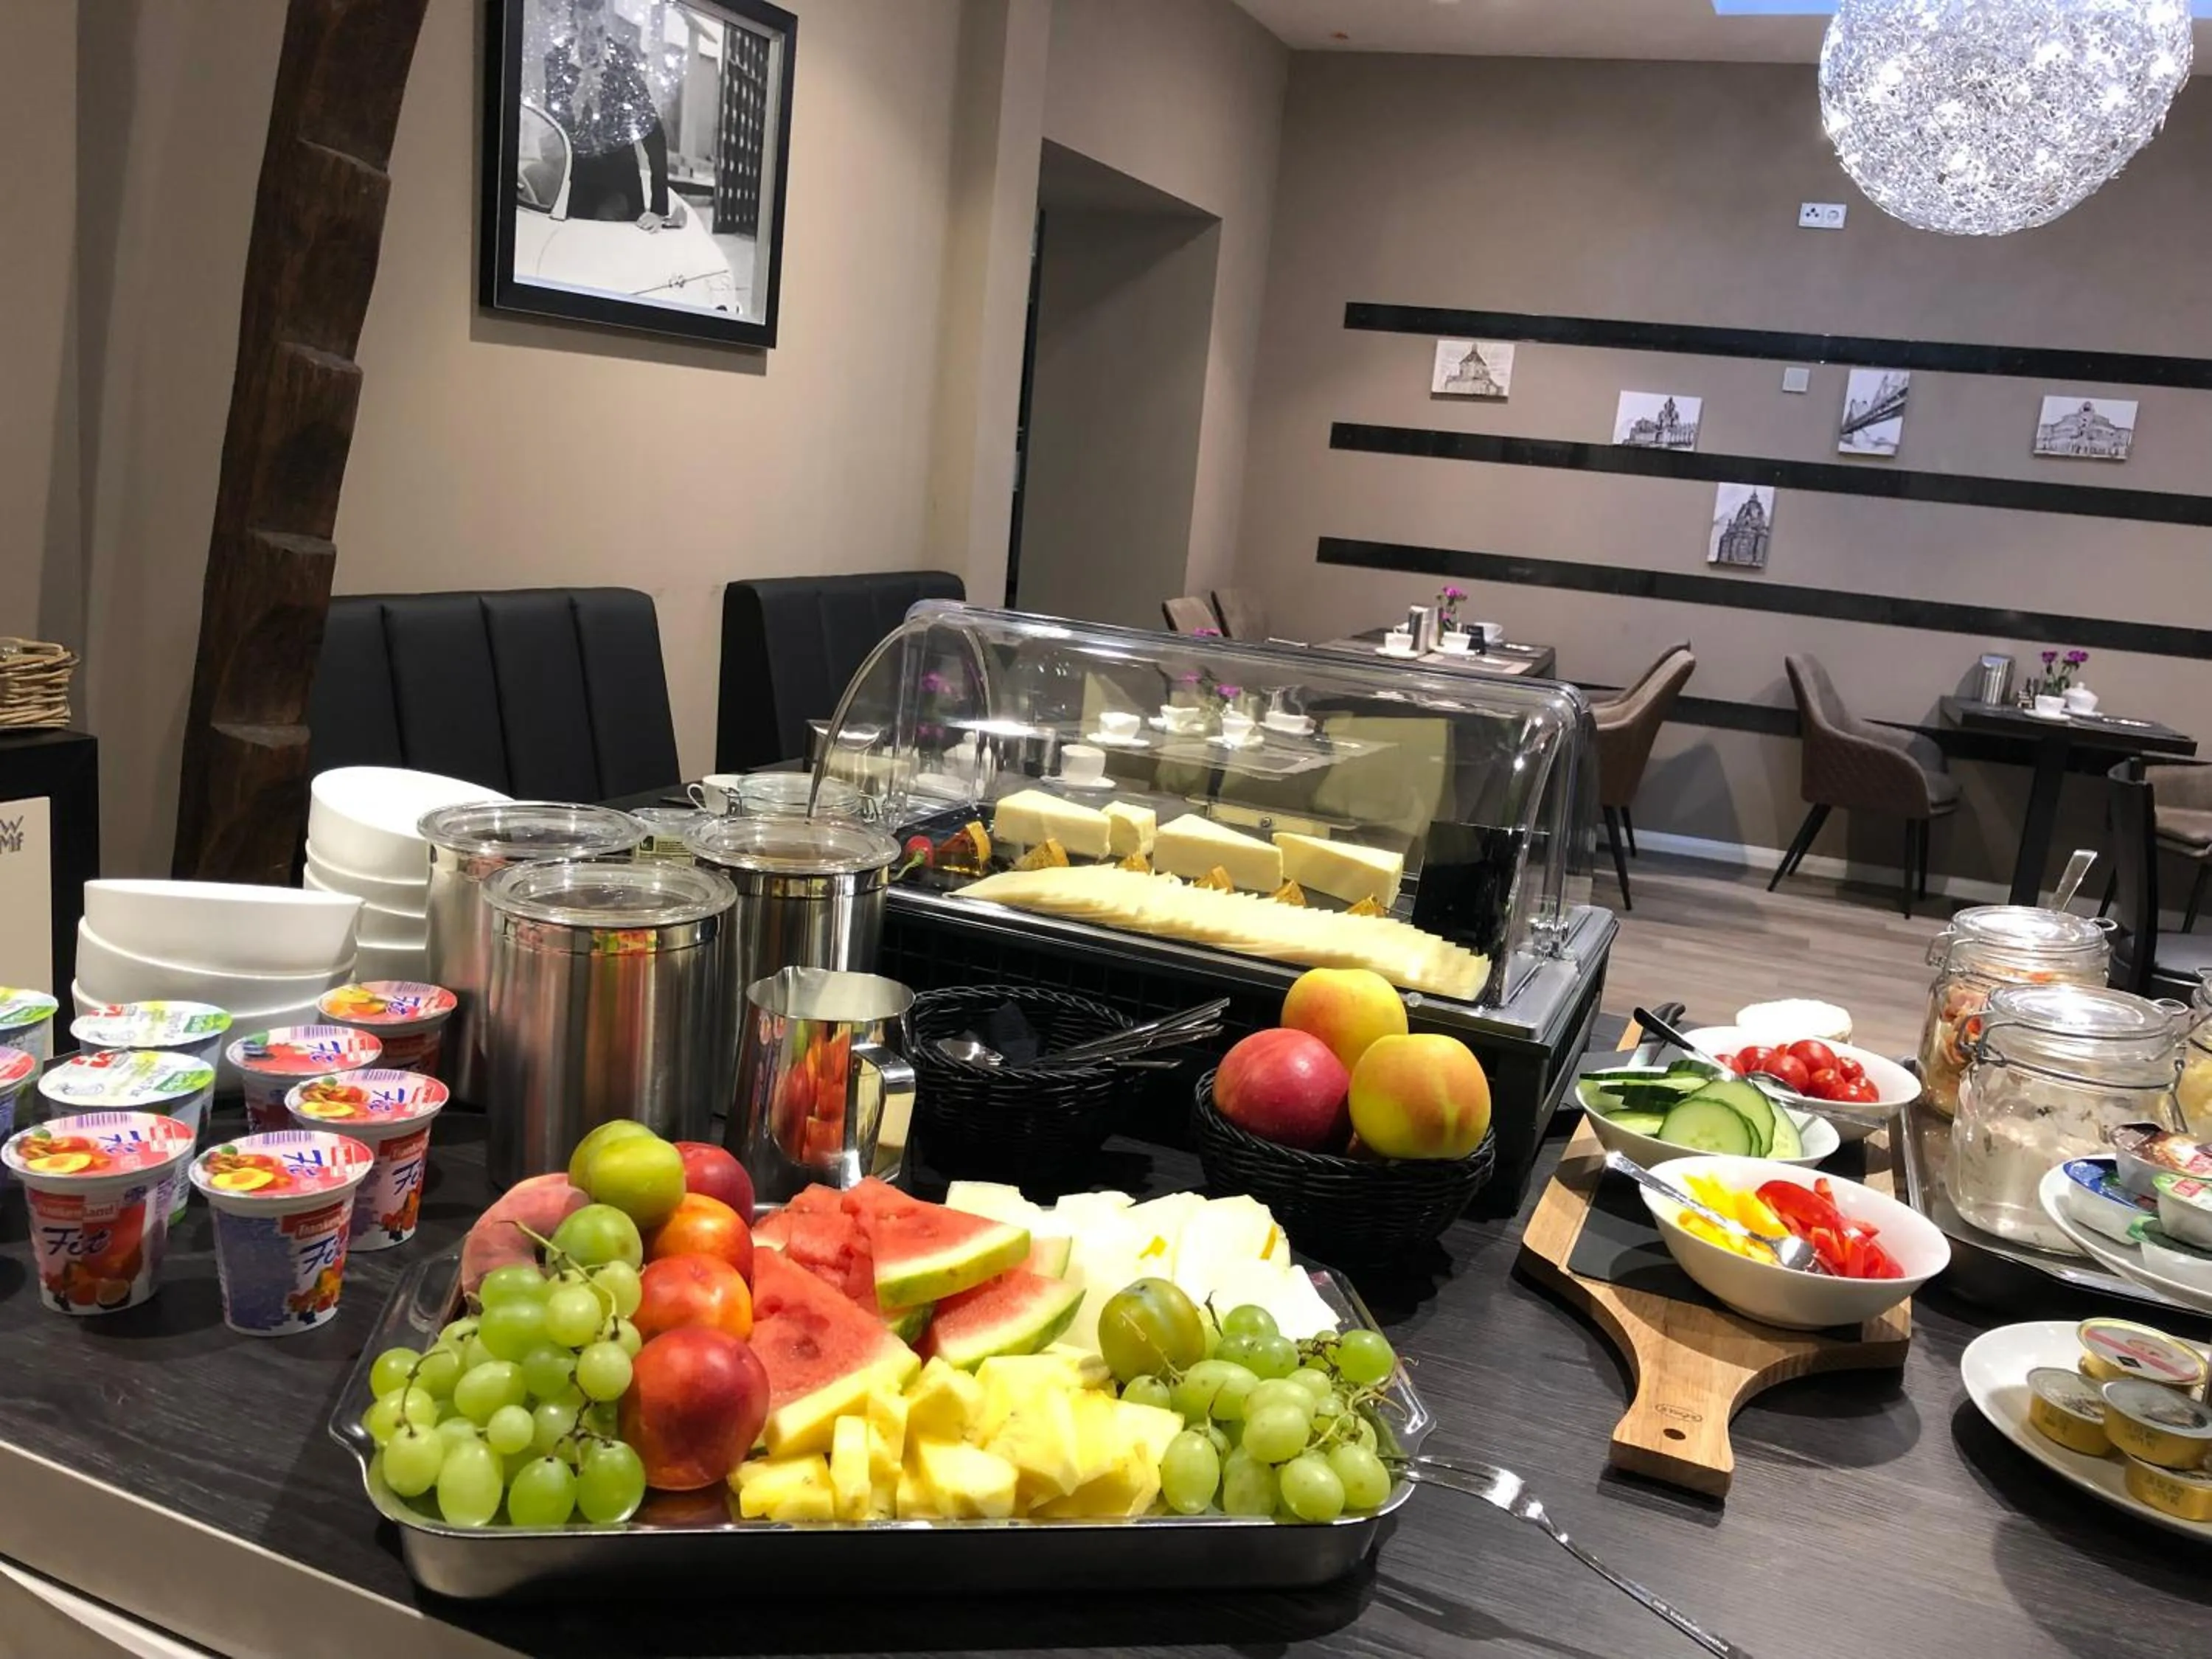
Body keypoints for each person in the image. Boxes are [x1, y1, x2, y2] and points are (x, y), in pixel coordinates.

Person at [543, 0, 677, 229]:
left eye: (600, 32)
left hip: (621, 183)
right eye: (585, 32)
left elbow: (653, 131)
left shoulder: (622, 61)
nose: (594, 43)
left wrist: (658, 209)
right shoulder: (557, 61)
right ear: (573, 27)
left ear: (607, 26)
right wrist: (576, 101)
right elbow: (551, 135)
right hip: (576, 179)